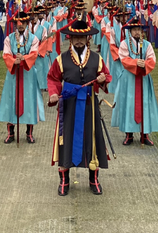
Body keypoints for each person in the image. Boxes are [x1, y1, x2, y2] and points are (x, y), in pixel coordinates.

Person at [47, 20, 112, 197]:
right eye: (75, 37)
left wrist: (102, 79)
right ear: (70, 38)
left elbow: (106, 75)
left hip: (90, 105)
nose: (78, 41)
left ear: (87, 38)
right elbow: (53, 78)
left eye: (82, 37)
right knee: (66, 139)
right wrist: (53, 93)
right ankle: (64, 180)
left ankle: (93, 179)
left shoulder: (97, 59)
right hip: (68, 105)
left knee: (92, 139)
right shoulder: (61, 59)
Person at [112, 18, 158, 146]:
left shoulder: (147, 44)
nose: (137, 32)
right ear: (130, 31)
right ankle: (128, 134)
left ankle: (145, 134)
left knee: (145, 103)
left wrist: (145, 64)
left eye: (139, 30)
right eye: (134, 30)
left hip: (143, 78)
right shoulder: (124, 44)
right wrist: (135, 62)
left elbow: (152, 59)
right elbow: (123, 58)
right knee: (128, 104)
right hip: (128, 79)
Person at [0, 11, 45, 144]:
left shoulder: (33, 39)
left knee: (29, 101)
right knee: (11, 100)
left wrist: (24, 58)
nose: (21, 25)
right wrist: (14, 61)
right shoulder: (9, 39)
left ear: (27, 23)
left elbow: (34, 53)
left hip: (28, 74)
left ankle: (29, 133)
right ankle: (10, 132)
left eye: (23, 23)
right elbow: (6, 54)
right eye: (18, 23)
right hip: (13, 74)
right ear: (15, 24)